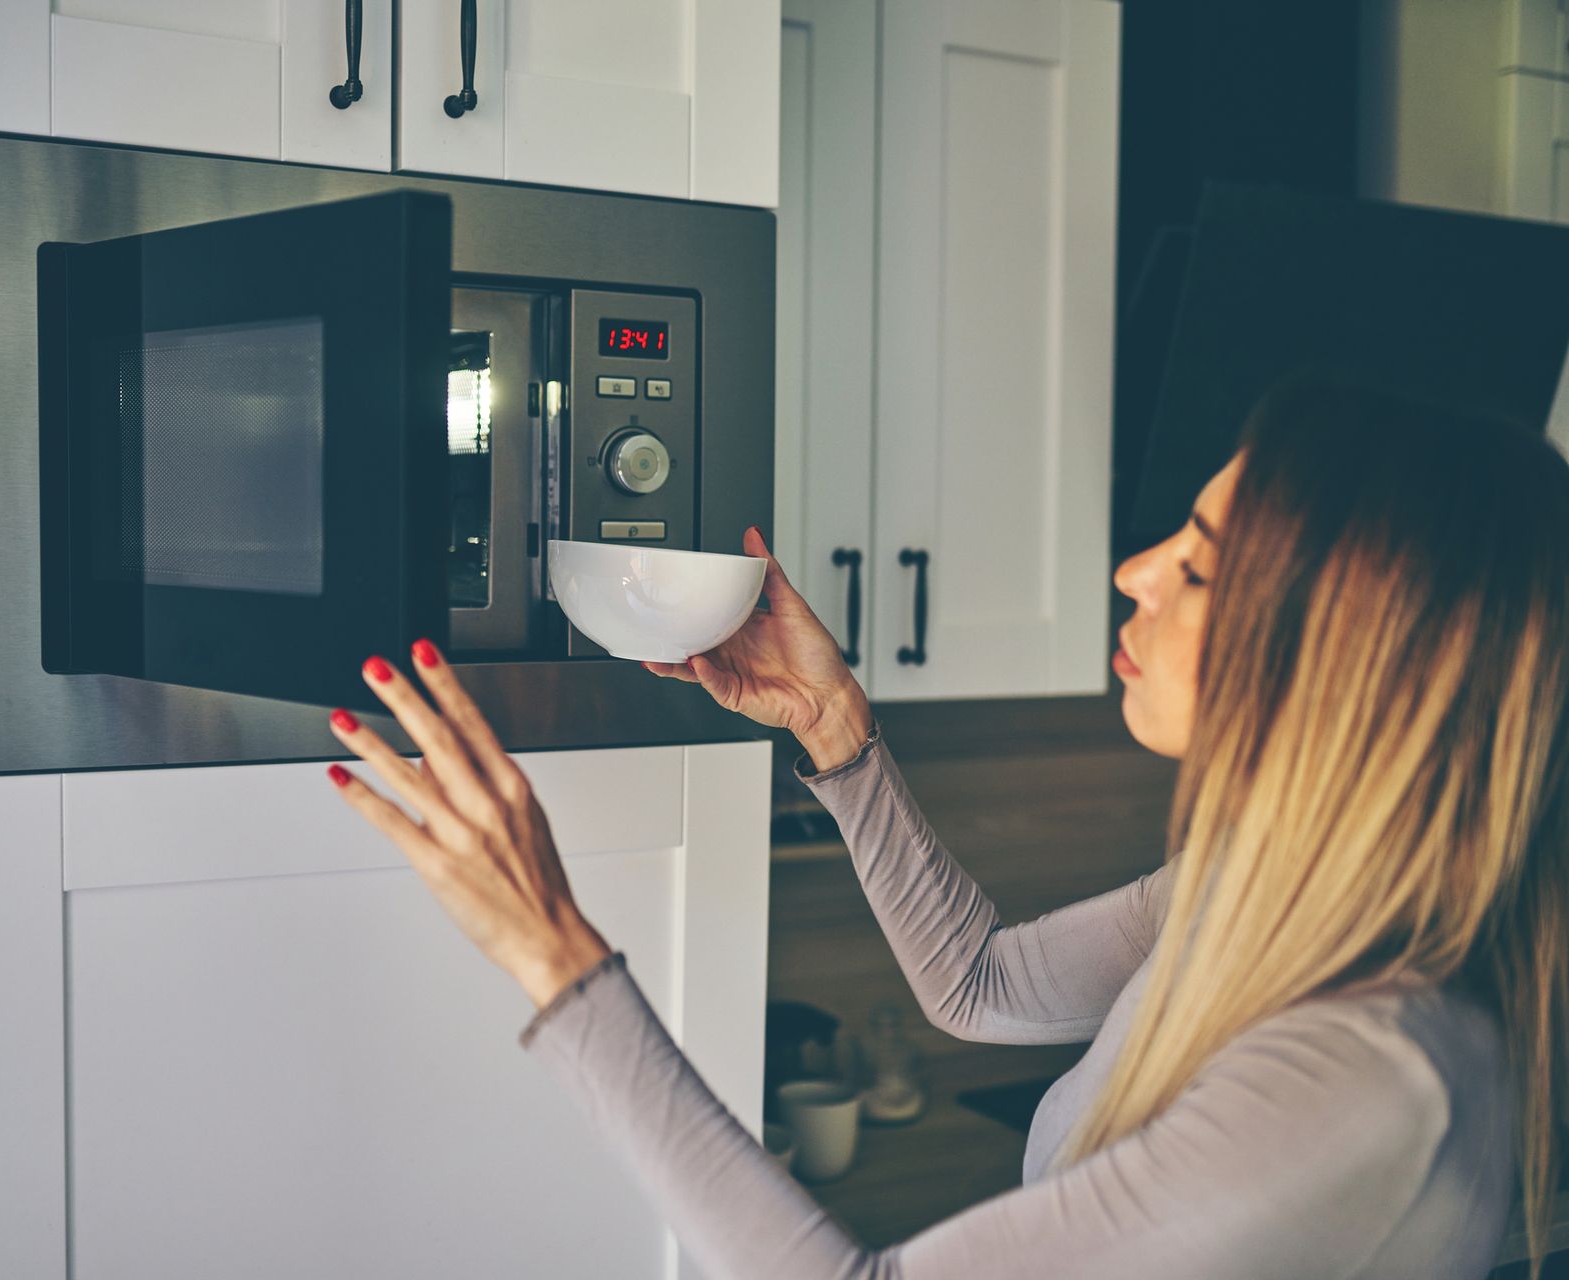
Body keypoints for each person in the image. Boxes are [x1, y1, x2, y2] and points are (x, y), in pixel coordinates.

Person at [324, 378, 1569, 1279]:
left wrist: (557, 956)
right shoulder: (1251, 894)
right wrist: (834, 727)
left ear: (1341, 659)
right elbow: (980, 984)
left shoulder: (1366, 1081)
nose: (1135, 572)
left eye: (1196, 565)